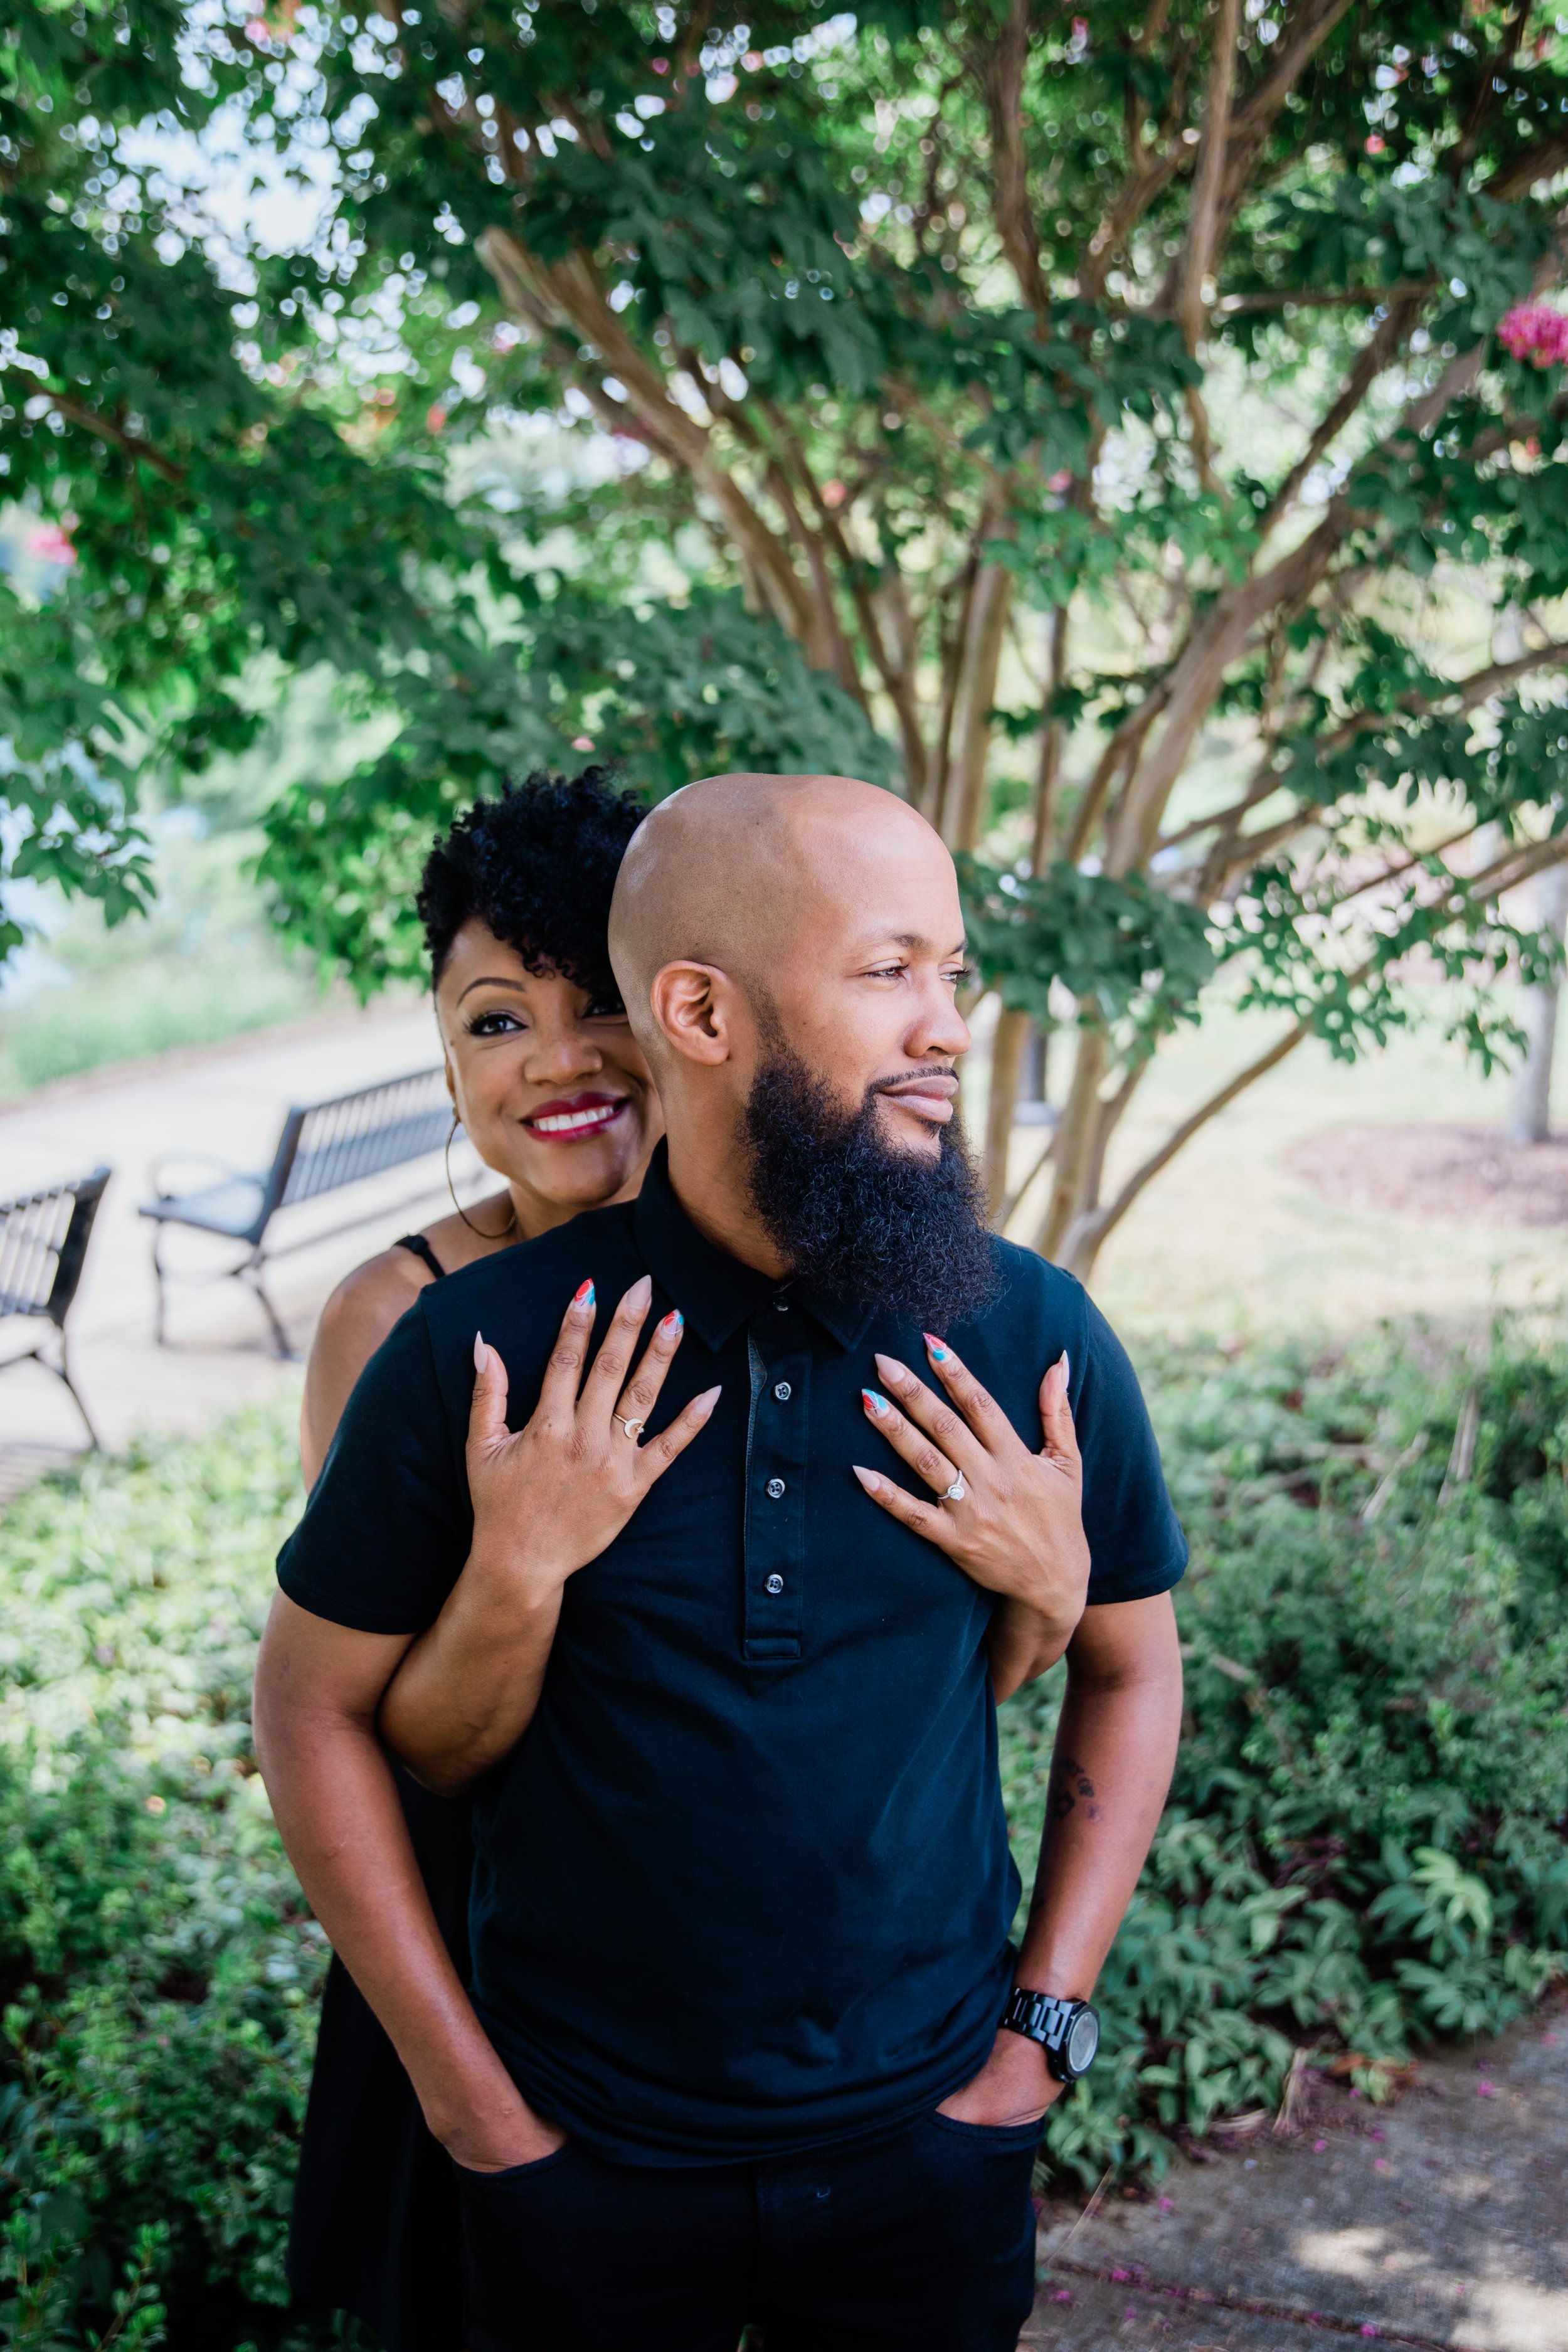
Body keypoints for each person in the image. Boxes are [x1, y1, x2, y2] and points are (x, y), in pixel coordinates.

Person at [257, 773, 1187, 2352]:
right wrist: (482, 2121)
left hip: (928, 2152)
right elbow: (323, 1714)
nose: (947, 1026)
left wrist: (1034, 2040)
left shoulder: (1028, 1334)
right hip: (580, 2162)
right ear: (699, 1008)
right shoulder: (468, 1351)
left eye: (948, 975)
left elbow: (1126, 1665)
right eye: (888, 971)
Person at [287, 768, 659, 2352]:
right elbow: (360, 1733)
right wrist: (519, 1559)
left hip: (760, 2006)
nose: (556, 1061)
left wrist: (1050, 1580)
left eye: (602, 1004)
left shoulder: (794, 1283)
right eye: (499, 1019)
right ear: (447, 1064)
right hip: (483, 1979)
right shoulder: (394, 1323)